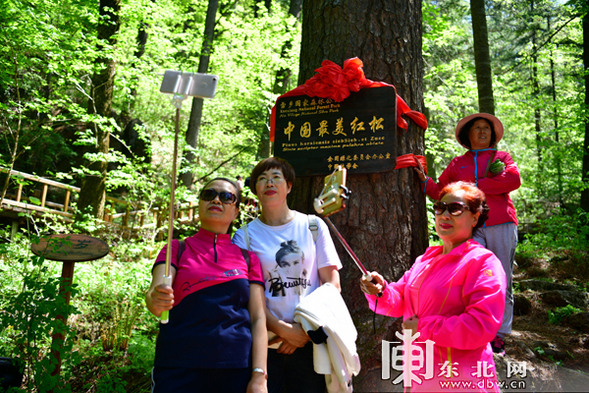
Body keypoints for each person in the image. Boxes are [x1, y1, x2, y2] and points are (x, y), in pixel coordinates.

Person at [360, 182, 506, 392]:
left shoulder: (482, 262)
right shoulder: (425, 260)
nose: (445, 215)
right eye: (440, 208)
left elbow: (480, 326)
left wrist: (422, 328)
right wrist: (380, 290)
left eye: (455, 209)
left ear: (475, 217)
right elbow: (399, 301)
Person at [146, 177, 268, 393]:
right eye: (208, 194)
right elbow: (154, 300)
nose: (216, 200)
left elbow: (258, 318)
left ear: (236, 212)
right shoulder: (176, 248)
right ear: (200, 204)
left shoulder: (249, 258)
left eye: (226, 197)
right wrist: (157, 299)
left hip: (235, 367)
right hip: (178, 365)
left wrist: (259, 376)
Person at [232, 157, 343, 393]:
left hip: (313, 343)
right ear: (256, 190)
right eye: (262, 179)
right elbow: (247, 296)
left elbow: (332, 284)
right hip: (266, 347)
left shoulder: (313, 226)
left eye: (276, 177)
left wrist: (302, 332)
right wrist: (285, 331)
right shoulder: (244, 238)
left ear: (289, 186)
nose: (269, 183)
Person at [414, 113, 521, 355]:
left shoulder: (501, 157)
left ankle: (499, 335)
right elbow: (443, 191)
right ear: (467, 136)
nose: (482, 132)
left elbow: (513, 180)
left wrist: (474, 186)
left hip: (501, 223)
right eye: (477, 129)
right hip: (470, 227)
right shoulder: (457, 163)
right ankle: (476, 329)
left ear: (492, 136)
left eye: (486, 129)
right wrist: (424, 181)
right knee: (472, 276)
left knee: (502, 277)